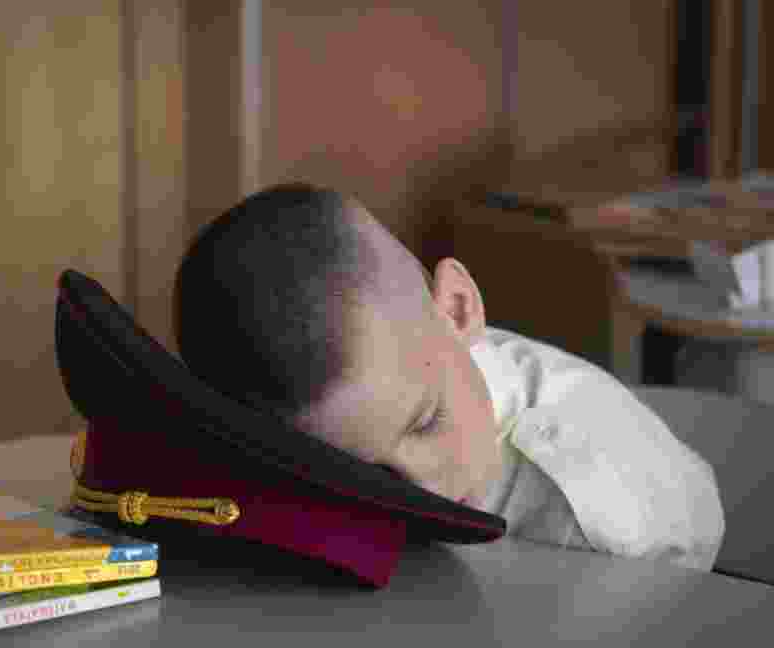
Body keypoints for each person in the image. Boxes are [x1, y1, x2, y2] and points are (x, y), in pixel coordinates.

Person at [173, 183, 725, 571]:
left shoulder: (599, 524)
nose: (424, 487)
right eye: (362, 470)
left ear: (459, 309)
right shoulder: (417, 359)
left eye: (425, 422)